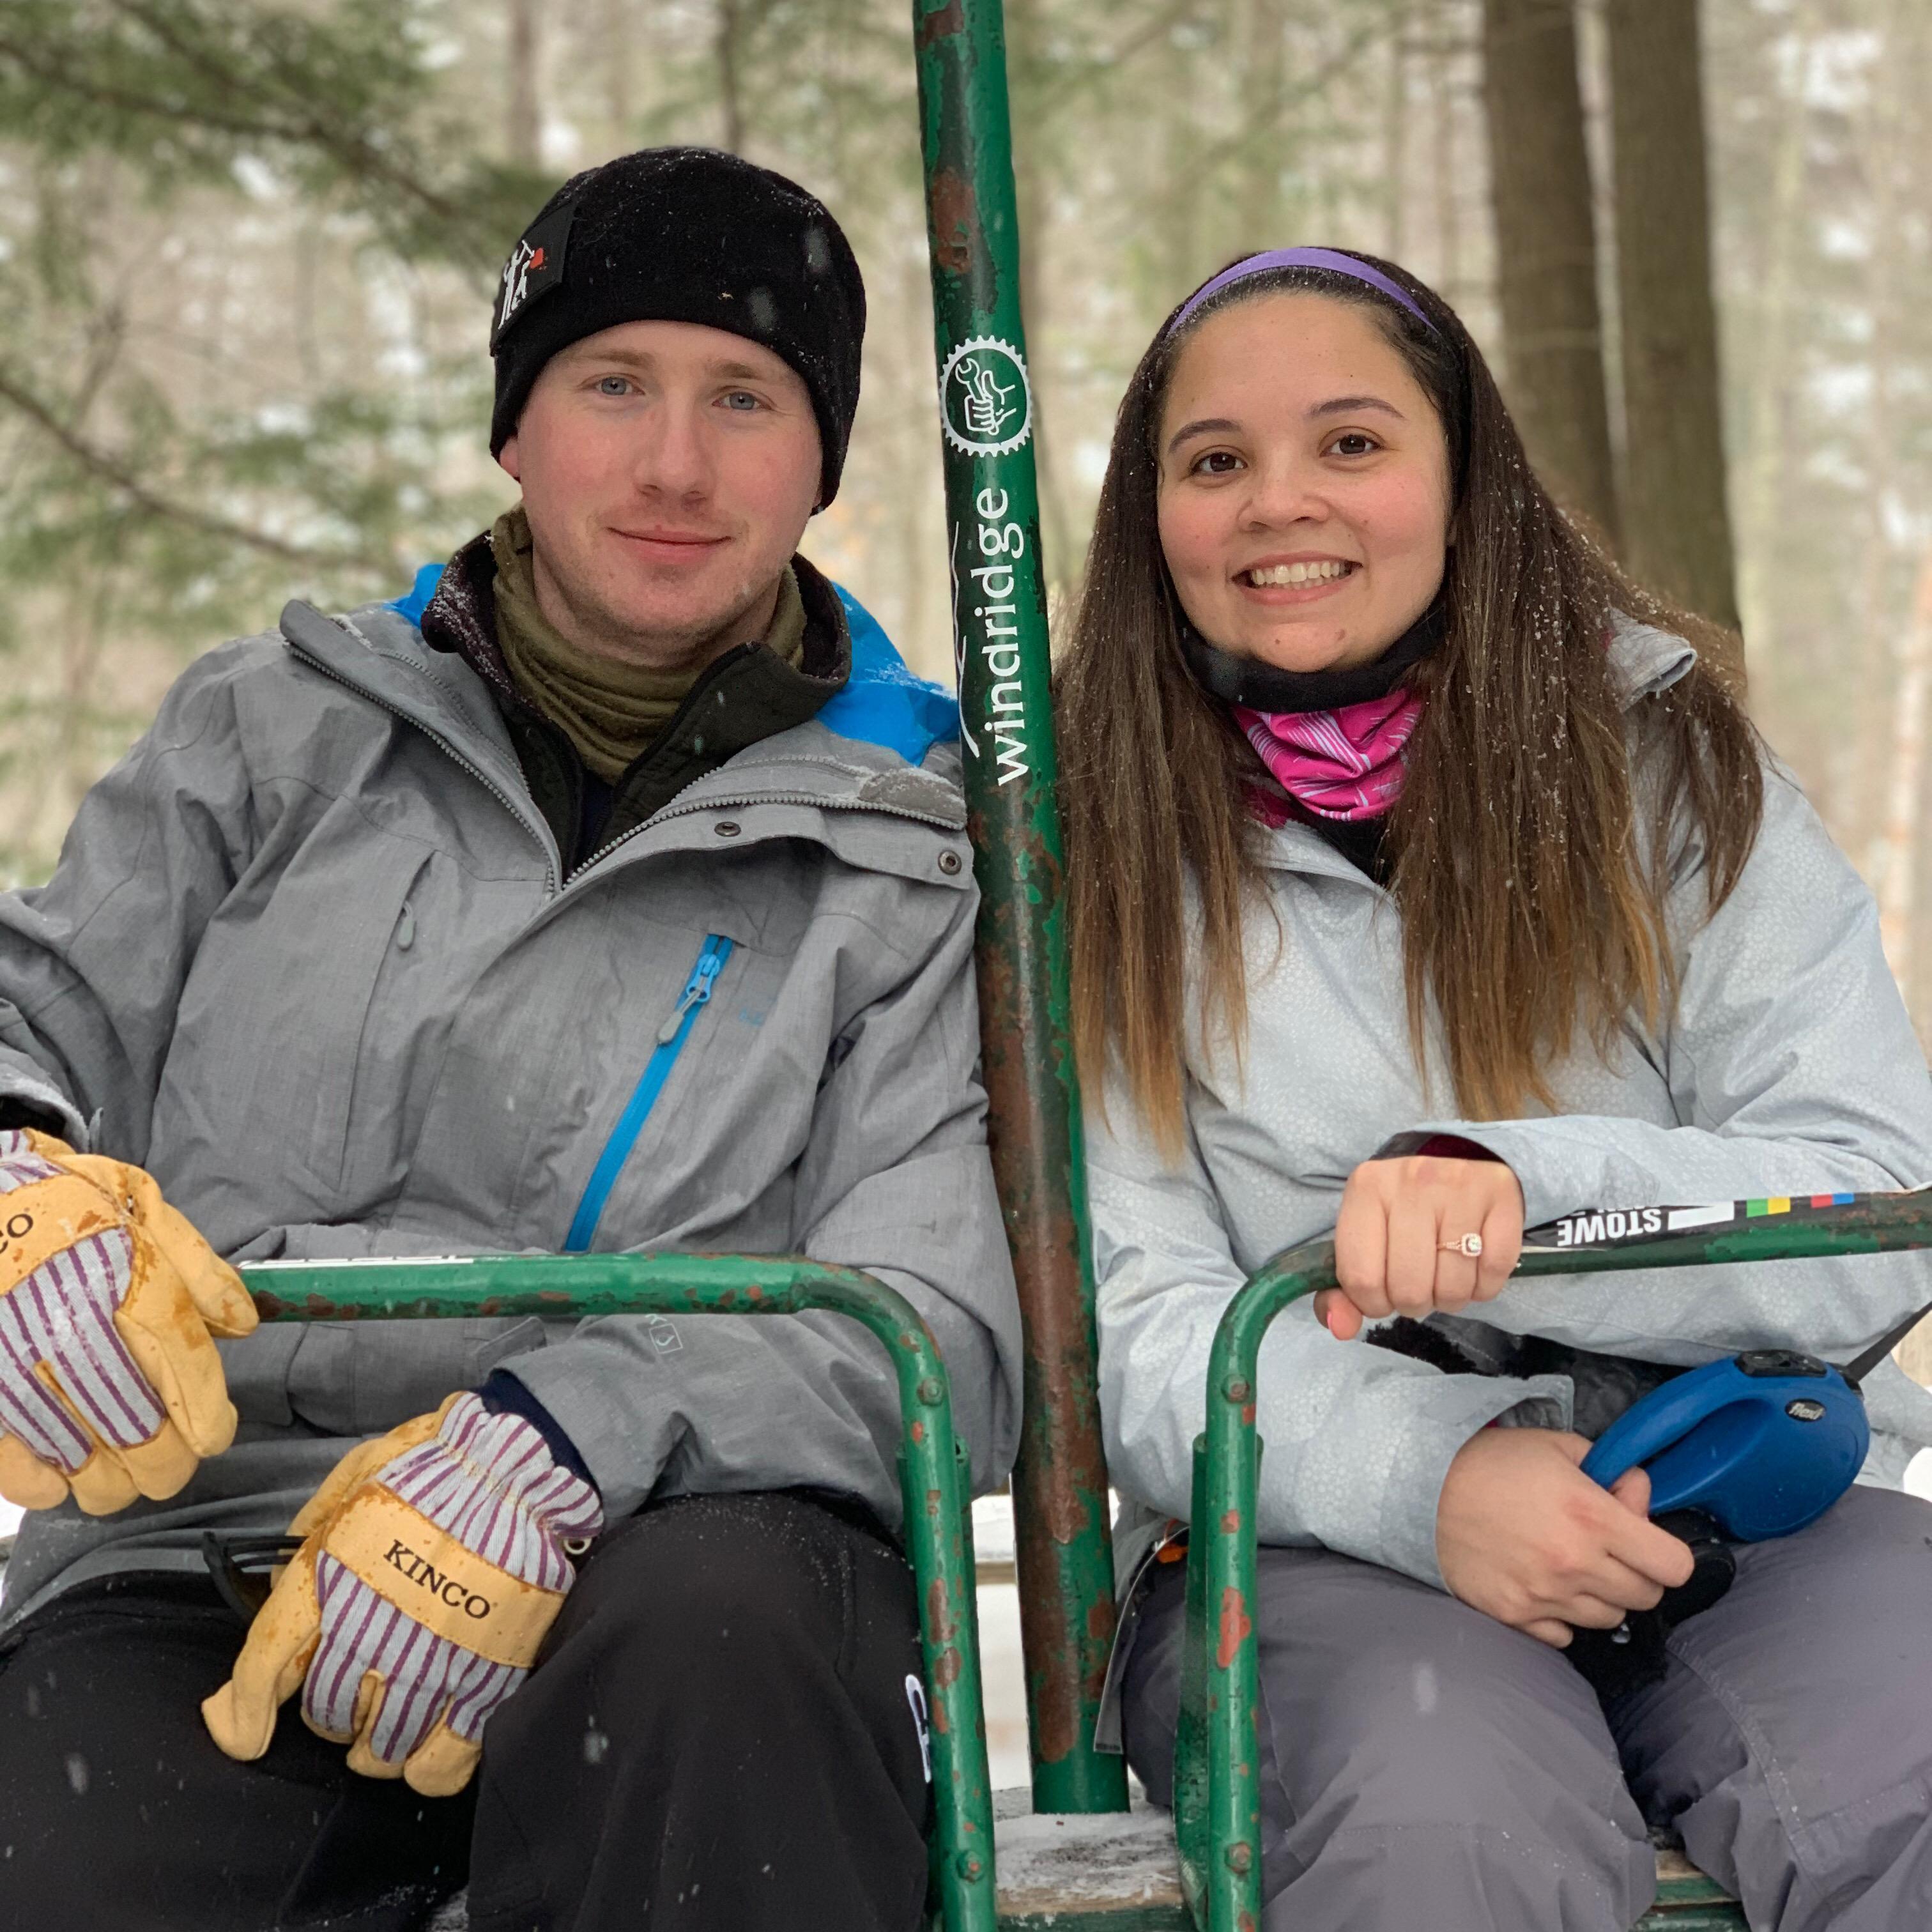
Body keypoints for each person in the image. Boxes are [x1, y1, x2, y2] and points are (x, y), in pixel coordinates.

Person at [0, 146, 1020, 1932]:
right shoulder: (278, 732)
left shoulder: (914, 841)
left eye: (746, 400)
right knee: (51, 1852)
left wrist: (565, 1437)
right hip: (213, 1550)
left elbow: (936, 1325)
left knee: (726, 1670)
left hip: (678, 1561)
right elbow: (40, 1003)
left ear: (822, 460)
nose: (674, 463)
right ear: (516, 430)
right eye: (612, 383)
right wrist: (14, 1160)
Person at [1059, 245, 1932, 1931]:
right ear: (1149, 519)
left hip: (1737, 1496)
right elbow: (1128, 1317)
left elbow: (1873, 1197)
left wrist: (1530, 1200)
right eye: (1215, 459)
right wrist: (1428, 1478)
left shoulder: (1670, 767)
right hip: (1301, 1548)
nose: (1279, 503)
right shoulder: (1092, 852)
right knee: (1448, 1824)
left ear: (1466, 480)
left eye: (1353, 443)